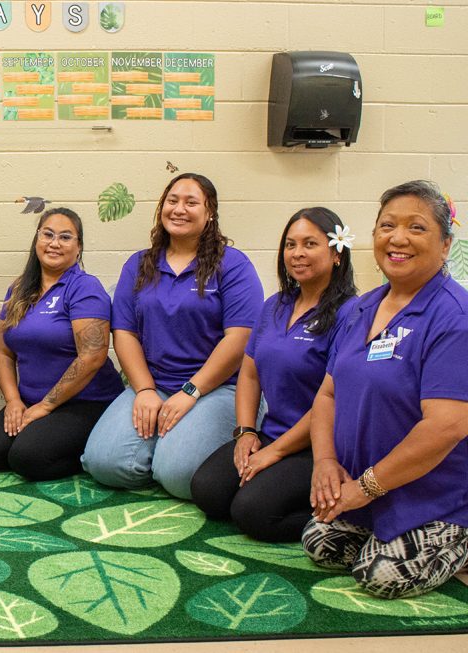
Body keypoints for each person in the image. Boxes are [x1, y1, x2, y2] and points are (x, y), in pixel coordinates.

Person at [303, 181, 468, 599]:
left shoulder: (454, 318)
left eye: (417, 228)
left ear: (446, 244)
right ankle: (387, 531)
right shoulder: (358, 309)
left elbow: (446, 427)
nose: (397, 238)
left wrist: (367, 487)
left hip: (436, 491)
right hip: (367, 484)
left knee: (381, 577)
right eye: (387, 225)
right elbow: (327, 395)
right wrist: (324, 462)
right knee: (320, 544)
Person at [82, 173, 264, 499]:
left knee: (177, 476)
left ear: (210, 214)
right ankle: (162, 450)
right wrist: (145, 390)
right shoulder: (138, 265)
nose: (179, 209)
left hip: (218, 388)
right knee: (103, 463)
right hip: (155, 385)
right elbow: (124, 332)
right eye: (172, 200)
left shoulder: (233, 265)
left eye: (191, 202)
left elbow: (239, 337)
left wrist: (191, 392)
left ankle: (168, 456)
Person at [190, 208, 357, 541]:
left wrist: (276, 452)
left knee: (253, 513)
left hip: (319, 447)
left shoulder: (352, 313)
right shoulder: (275, 304)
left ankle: (352, 518)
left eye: (310, 243)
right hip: (271, 433)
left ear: (336, 253)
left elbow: (333, 398)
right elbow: (249, 375)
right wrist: (247, 433)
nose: (297, 254)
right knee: (208, 491)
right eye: (290, 245)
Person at [0, 208, 123, 481]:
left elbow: (92, 357)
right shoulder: (19, 289)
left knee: (27, 458)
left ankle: (91, 454)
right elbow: (3, 350)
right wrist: (13, 401)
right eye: (48, 234)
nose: (54, 243)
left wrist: (46, 406)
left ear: (78, 247)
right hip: (31, 399)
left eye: (65, 237)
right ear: (37, 240)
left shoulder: (84, 288)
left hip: (86, 402)